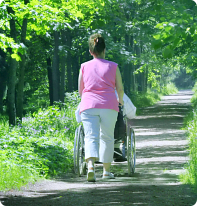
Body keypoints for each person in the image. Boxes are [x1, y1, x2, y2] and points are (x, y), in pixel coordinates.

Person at [78, 33, 124, 182]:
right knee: (107, 137)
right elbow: (120, 88)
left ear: (91, 51)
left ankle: (90, 167)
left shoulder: (84, 66)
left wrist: (87, 100)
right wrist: (121, 100)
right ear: (105, 49)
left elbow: (80, 90)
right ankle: (106, 171)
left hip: (89, 105)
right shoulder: (113, 66)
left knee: (90, 136)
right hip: (109, 105)